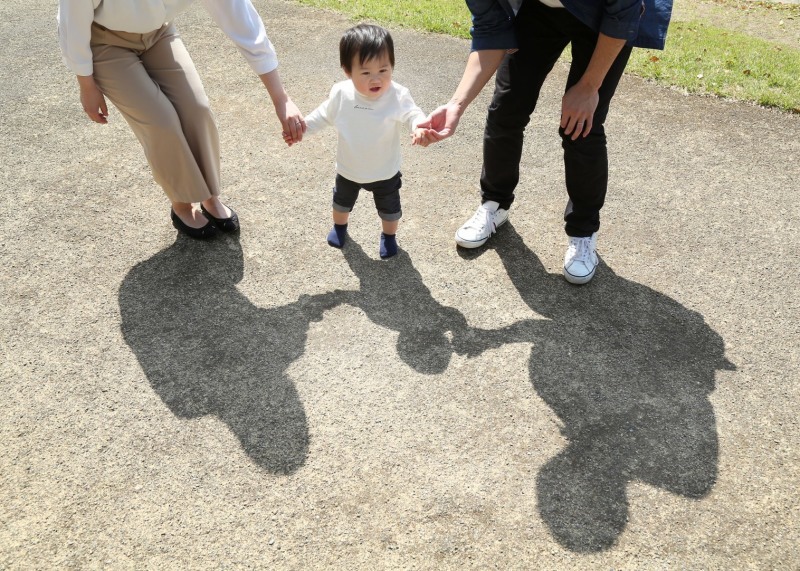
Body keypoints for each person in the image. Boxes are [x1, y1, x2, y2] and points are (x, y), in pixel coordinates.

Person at [416, 0, 673, 284]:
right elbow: (491, 29)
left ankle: (583, 230)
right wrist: (456, 105)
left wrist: (589, 87)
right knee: (507, 108)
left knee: (581, 125)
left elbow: (623, 12)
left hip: (606, 13)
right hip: (539, 8)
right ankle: (495, 203)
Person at [57, 0, 306, 239]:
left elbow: (240, 17)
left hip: (159, 33)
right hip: (103, 40)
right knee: (161, 122)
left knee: (198, 110)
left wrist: (281, 99)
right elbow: (73, 15)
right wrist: (86, 83)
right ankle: (182, 204)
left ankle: (209, 196)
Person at [289, 24, 427, 259]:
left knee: (390, 211)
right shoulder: (341, 94)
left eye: (384, 70)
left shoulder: (397, 95)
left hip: (385, 172)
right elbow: (322, 116)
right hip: (348, 169)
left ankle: (389, 236)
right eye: (365, 73)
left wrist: (420, 127)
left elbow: (414, 114)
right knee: (340, 204)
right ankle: (340, 228)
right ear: (347, 71)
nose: (376, 79)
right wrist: (301, 129)